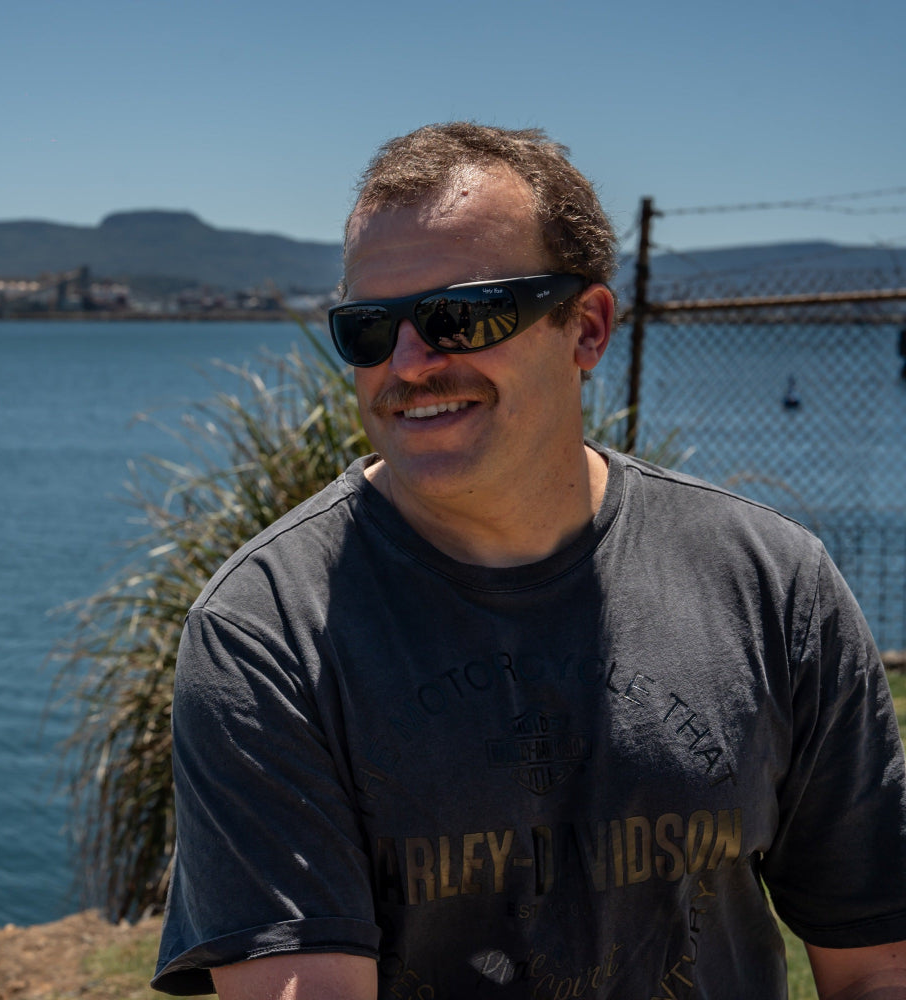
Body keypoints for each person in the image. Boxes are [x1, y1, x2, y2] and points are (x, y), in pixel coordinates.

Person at [153, 123, 906, 999]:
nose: (407, 364)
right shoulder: (266, 630)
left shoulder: (774, 583)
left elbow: (878, 961)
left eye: (461, 316)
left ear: (585, 327)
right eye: (368, 328)